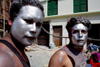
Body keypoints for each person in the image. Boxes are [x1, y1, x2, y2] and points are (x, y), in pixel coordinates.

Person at [0, 0, 44, 67]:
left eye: (38, 24)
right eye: (28, 21)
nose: (34, 30)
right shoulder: (3, 58)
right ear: (11, 20)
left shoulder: (18, 49)